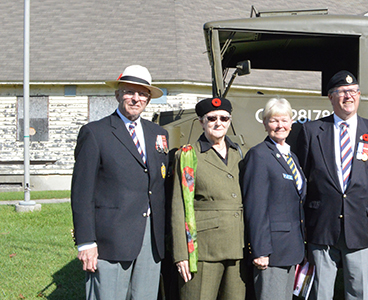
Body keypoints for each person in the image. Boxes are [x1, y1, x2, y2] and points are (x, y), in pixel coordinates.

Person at [70, 65, 169, 299]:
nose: (136, 98)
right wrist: (86, 242)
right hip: (111, 238)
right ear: (117, 94)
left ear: (148, 99)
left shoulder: (158, 133)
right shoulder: (95, 133)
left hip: (150, 240)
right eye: (129, 92)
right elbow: (82, 193)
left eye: (142, 93)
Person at [295, 70, 368, 300]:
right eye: (342, 92)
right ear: (331, 97)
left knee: (358, 292)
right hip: (321, 226)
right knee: (320, 292)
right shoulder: (311, 132)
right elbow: (301, 183)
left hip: (361, 226)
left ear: (359, 96)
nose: (348, 96)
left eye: (353, 92)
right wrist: (302, 226)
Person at [170, 97, 247, 299]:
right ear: (201, 122)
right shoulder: (188, 155)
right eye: (211, 118)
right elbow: (178, 206)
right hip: (202, 248)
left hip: (238, 245)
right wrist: (181, 254)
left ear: (230, 121)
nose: (218, 123)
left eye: (224, 118)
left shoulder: (241, 153)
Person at [241, 98, 307, 300]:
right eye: (274, 120)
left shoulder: (291, 157)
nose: (280, 126)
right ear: (264, 123)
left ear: (291, 122)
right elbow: (255, 206)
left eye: (284, 120)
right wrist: (260, 250)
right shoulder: (259, 155)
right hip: (271, 252)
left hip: (291, 249)